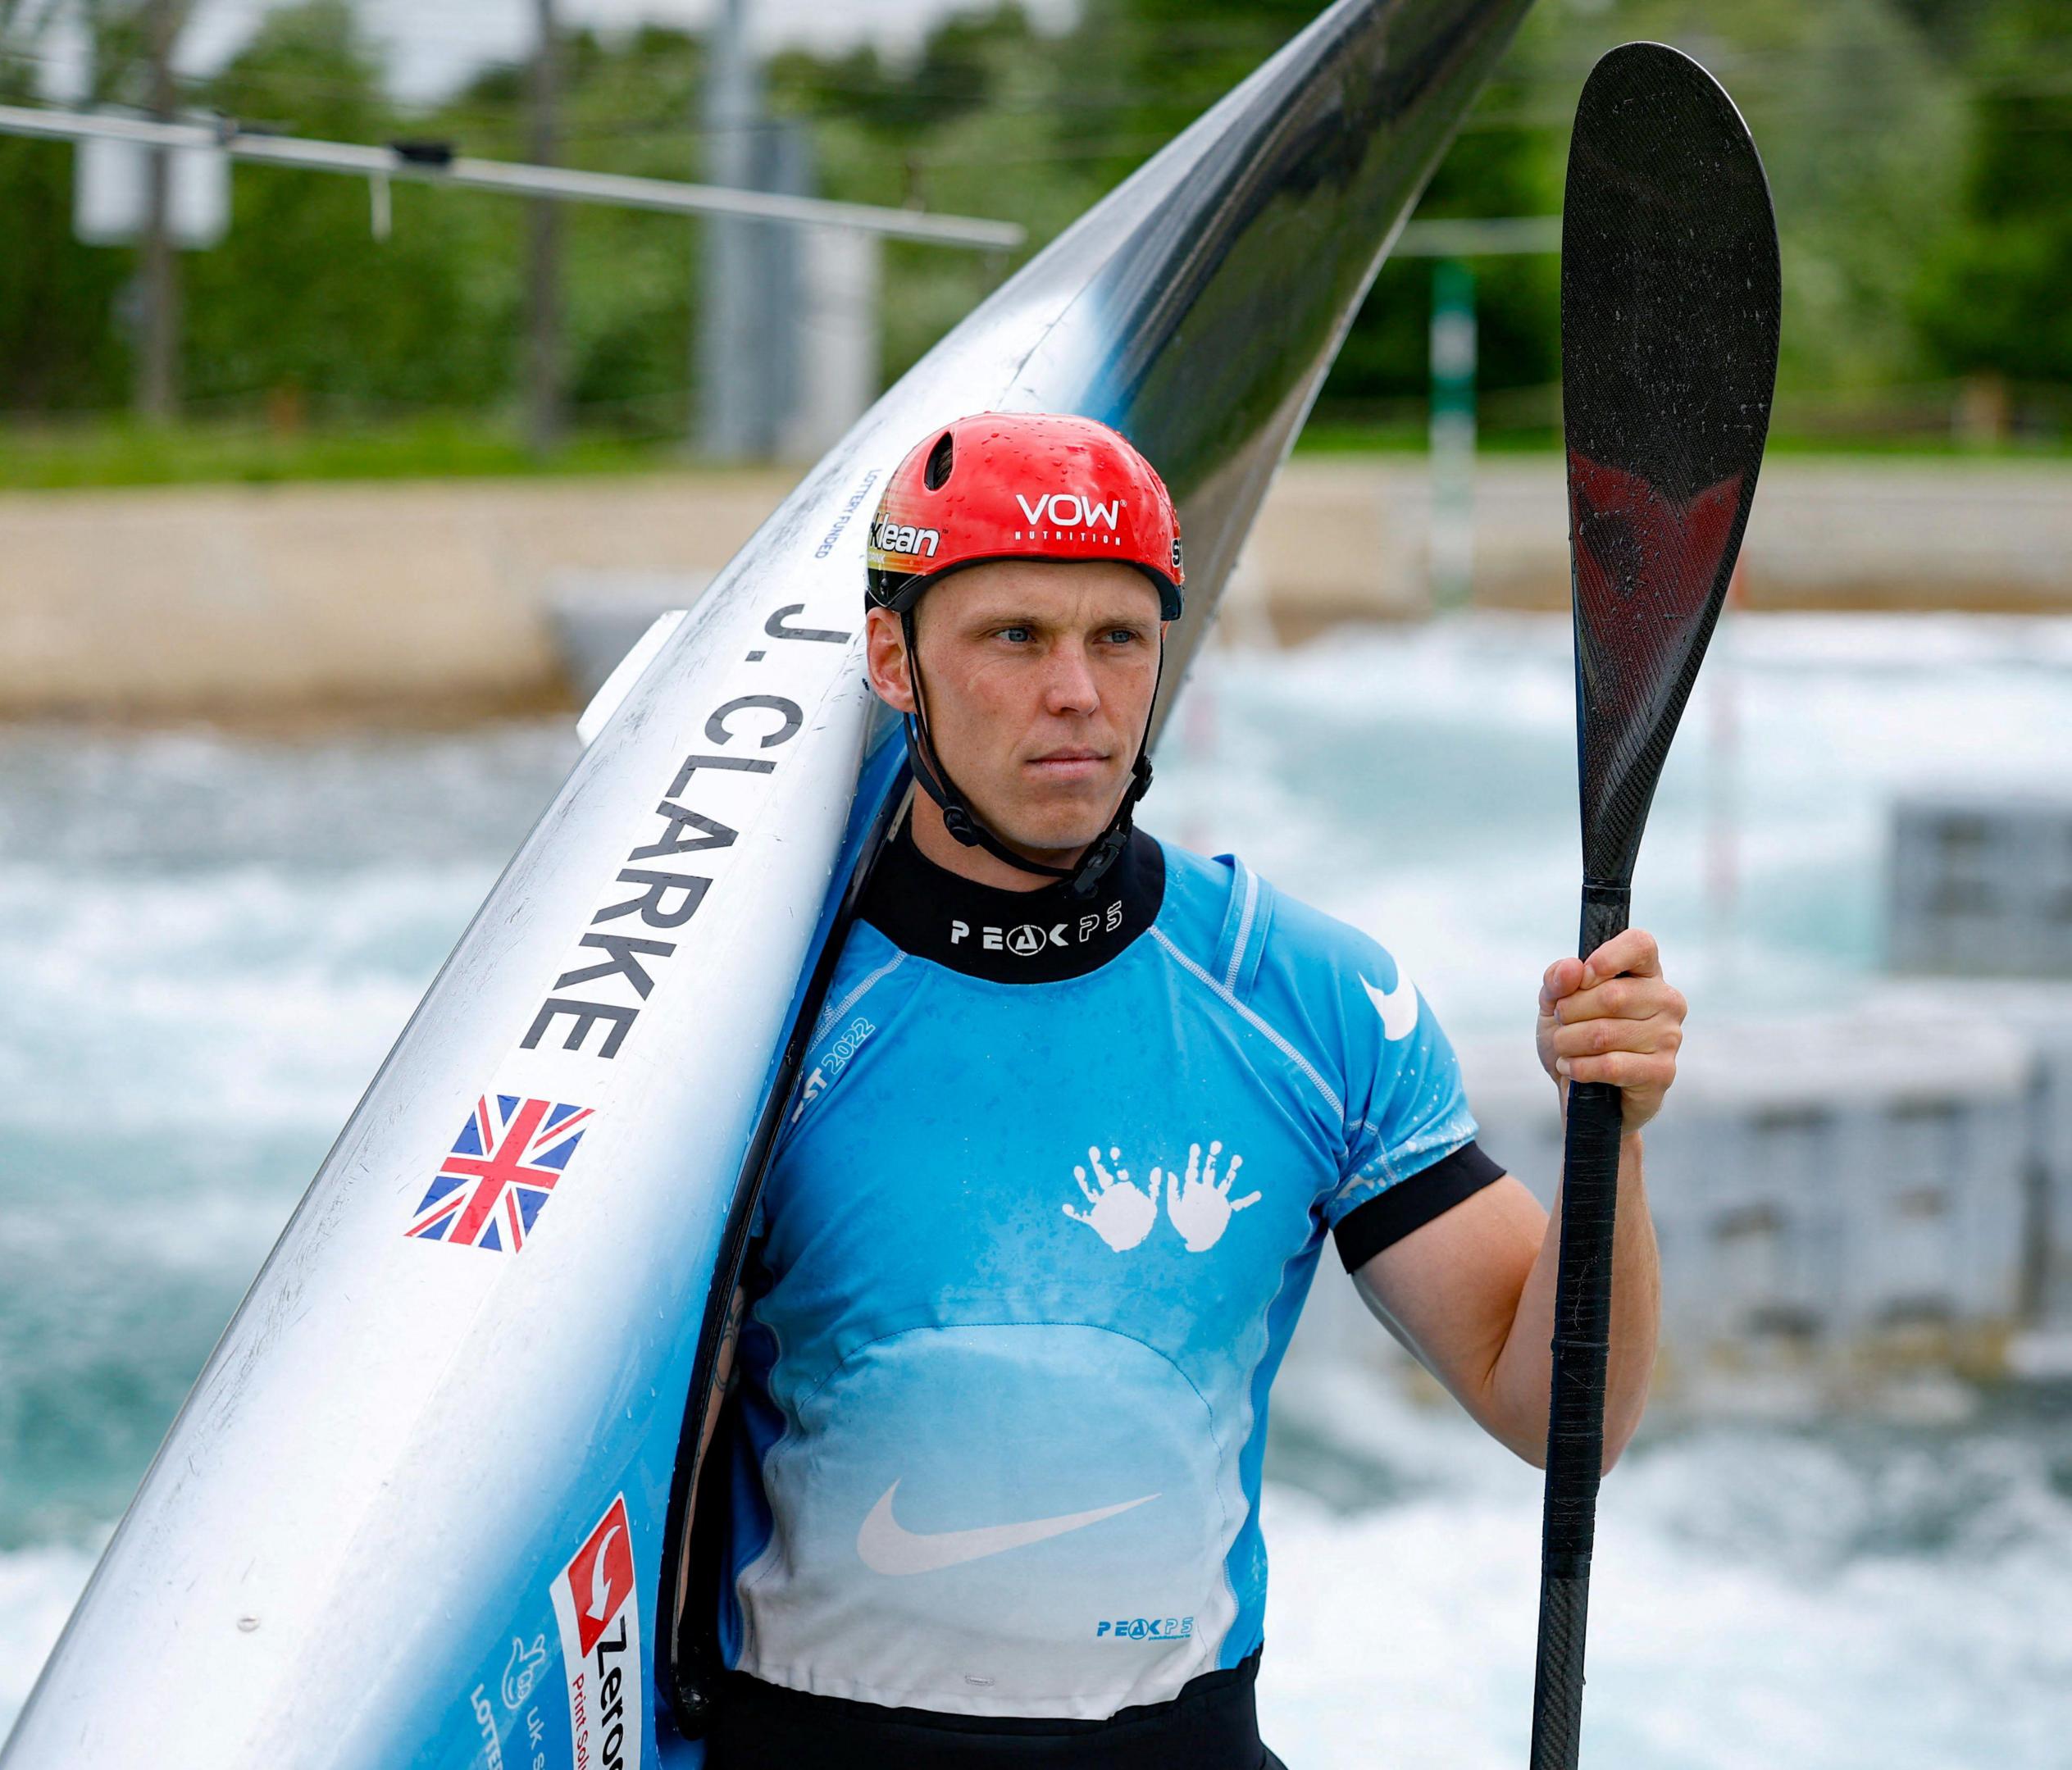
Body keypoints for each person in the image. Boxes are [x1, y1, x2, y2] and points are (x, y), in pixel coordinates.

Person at [704, 412, 1682, 1769]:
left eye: (1119, 638)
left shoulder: (1305, 999)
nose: (1078, 693)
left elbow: (1561, 1414)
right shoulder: (745, 1017)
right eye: (1014, 637)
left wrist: (1612, 1138)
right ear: (894, 660)